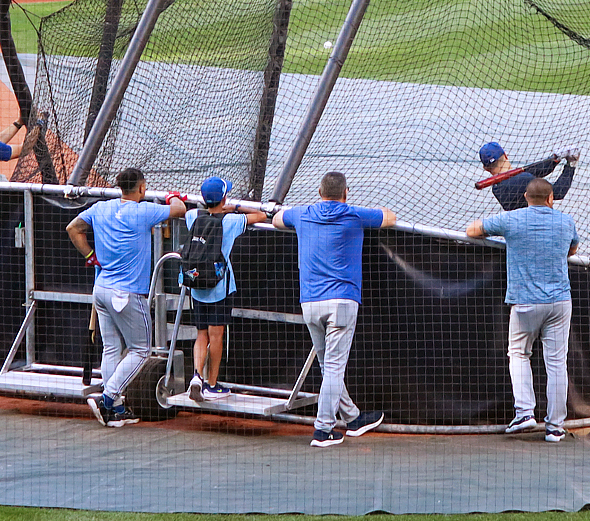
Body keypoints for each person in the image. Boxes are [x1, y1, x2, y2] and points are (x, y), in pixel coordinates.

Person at [273, 171, 394, 447]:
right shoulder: (353, 215)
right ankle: (323, 429)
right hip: (341, 302)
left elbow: (278, 219)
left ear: (319, 191)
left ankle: (352, 418)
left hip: (310, 303)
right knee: (334, 368)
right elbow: (389, 217)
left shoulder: (303, 213)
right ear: (346, 193)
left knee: (328, 366)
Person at [66, 167, 186, 427]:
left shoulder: (101, 208)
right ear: (141, 188)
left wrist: (90, 256)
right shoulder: (143, 211)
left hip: (102, 290)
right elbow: (179, 210)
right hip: (127, 295)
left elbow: (73, 228)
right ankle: (108, 399)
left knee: (111, 348)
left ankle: (116, 409)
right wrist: (173, 195)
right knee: (141, 350)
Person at [467, 176, 578, 443]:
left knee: (518, 354)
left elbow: (473, 230)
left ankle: (525, 413)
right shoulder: (566, 221)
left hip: (525, 303)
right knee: (556, 364)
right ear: (551, 199)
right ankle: (554, 427)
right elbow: (572, 249)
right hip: (560, 302)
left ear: (527, 198)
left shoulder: (512, 219)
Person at [183, 176, 268, 401]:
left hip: (197, 284)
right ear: (224, 197)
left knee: (201, 334)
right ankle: (211, 384)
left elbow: (184, 210)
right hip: (219, 287)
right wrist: (236, 207)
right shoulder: (230, 221)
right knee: (216, 335)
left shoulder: (193, 216)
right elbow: (261, 215)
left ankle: (196, 376)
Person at [478, 141, 578, 211]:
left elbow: (534, 172)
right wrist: (571, 165)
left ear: (486, 168)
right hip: (541, 229)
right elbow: (558, 192)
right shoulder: (523, 179)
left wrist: (554, 159)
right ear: (505, 155)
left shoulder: (497, 188)